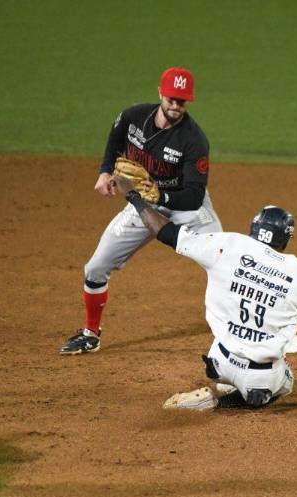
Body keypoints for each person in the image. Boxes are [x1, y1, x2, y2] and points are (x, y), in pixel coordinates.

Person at [111, 174, 297, 411]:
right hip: (260, 378)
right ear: (285, 240)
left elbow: (167, 233)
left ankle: (222, 382)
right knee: (287, 382)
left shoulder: (226, 244)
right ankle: (220, 401)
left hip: (219, 360)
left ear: (254, 229)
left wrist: (134, 197)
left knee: (228, 343)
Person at [61, 66, 222, 355]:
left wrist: (161, 195)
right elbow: (115, 139)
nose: (175, 106)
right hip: (142, 203)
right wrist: (105, 170)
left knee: (223, 260)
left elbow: (194, 196)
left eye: (182, 101)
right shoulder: (133, 116)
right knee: (96, 267)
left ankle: (241, 328)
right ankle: (91, 333)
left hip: (185, 207)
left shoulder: (194, 140)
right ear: (160, 93)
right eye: (171, 99)